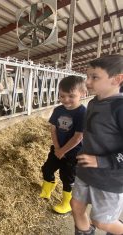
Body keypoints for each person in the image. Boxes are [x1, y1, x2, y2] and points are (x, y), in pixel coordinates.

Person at [71, 54, 123, 235]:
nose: (87, 82)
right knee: (76, 207)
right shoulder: (93, 103)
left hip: (110, 177)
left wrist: (101, 161)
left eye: (94, 77)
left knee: (102, 222)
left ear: (117, 79)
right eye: (87, 76)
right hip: (86, 169)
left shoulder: (120, 108)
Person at [40, 75, 87, 214]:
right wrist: (57, 148)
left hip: (73, 153)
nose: (66, 100)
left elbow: (78, 137)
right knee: (47, 169)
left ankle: (67, 203)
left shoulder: (82, 113)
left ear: (83, 94)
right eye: (62, 96)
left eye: (71, 96)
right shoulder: (58, 110)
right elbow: (53, 129)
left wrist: (63, 151)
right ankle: (48, 188)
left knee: (67, 177)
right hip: (57, 149)